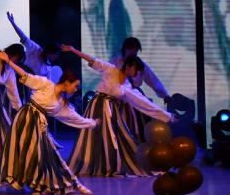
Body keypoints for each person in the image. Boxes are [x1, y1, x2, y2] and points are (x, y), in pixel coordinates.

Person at [0, 51, 96, 195]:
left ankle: (70, 184)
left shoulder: (61, 103)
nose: (76, 89)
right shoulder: (46, 84)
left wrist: (92, 123)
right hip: (25, 118)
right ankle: (34, 183)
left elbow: (75, 118)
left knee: (46, 154)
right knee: (25, 152)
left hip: (38, 123)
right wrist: (8, 61)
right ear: (67, 82)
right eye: (75, 86)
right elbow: (26, 76)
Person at [63, 44, 174, 177]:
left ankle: (109, 165)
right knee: (96, 136)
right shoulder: (111, 69)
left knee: (115, 137)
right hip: (98, 106)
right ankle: (98, 165)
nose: (138, 74)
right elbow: (92, 60)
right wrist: (73, 50)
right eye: (137, 70)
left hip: (111, 109)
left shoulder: (127, 85)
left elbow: (144, 103)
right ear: (129, 67)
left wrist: (167, 116)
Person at [110, 37, 172, 141]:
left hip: (135, 95)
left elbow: (153, 80)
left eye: (136, 50)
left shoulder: (140, 65)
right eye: (131, 49)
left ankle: (139, 144)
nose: (133, 52)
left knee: (140, 123)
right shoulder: (115, 62)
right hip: (119, 98)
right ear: (125, 49)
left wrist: (165, 95)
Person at [7, 12, 61, 82]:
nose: (55, 57)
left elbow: (44, 84)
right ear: (49, 51)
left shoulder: (47, 69)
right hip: (14, 73)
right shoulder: (35, 48)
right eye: (55, 54)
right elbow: (23, 36)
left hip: (26, 84)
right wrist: (13, 22)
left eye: (56, 56)